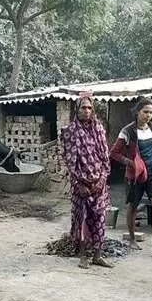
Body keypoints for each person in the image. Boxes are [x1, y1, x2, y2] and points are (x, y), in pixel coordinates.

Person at [109, 97, 152, 258]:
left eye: (151, 112)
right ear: (137, 112)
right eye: (145, 112)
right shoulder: (127, 131)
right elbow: (113, 153)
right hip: (135, 175)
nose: (148, 115)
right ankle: (132, 239)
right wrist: (130, 162)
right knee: (133, 206)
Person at [61, 94, 113, 269]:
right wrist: (79, 184)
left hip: (99, 183)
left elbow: (105, 159)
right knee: (81, 218)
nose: (86, 111)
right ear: (77, 109)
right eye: (83, 107)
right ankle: (82, 256)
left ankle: (98, 255)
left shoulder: (98, 130)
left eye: (89, 108)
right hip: (81, 183)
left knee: (99, 219)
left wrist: (101, 180)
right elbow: (70, 161)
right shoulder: (69, 132)